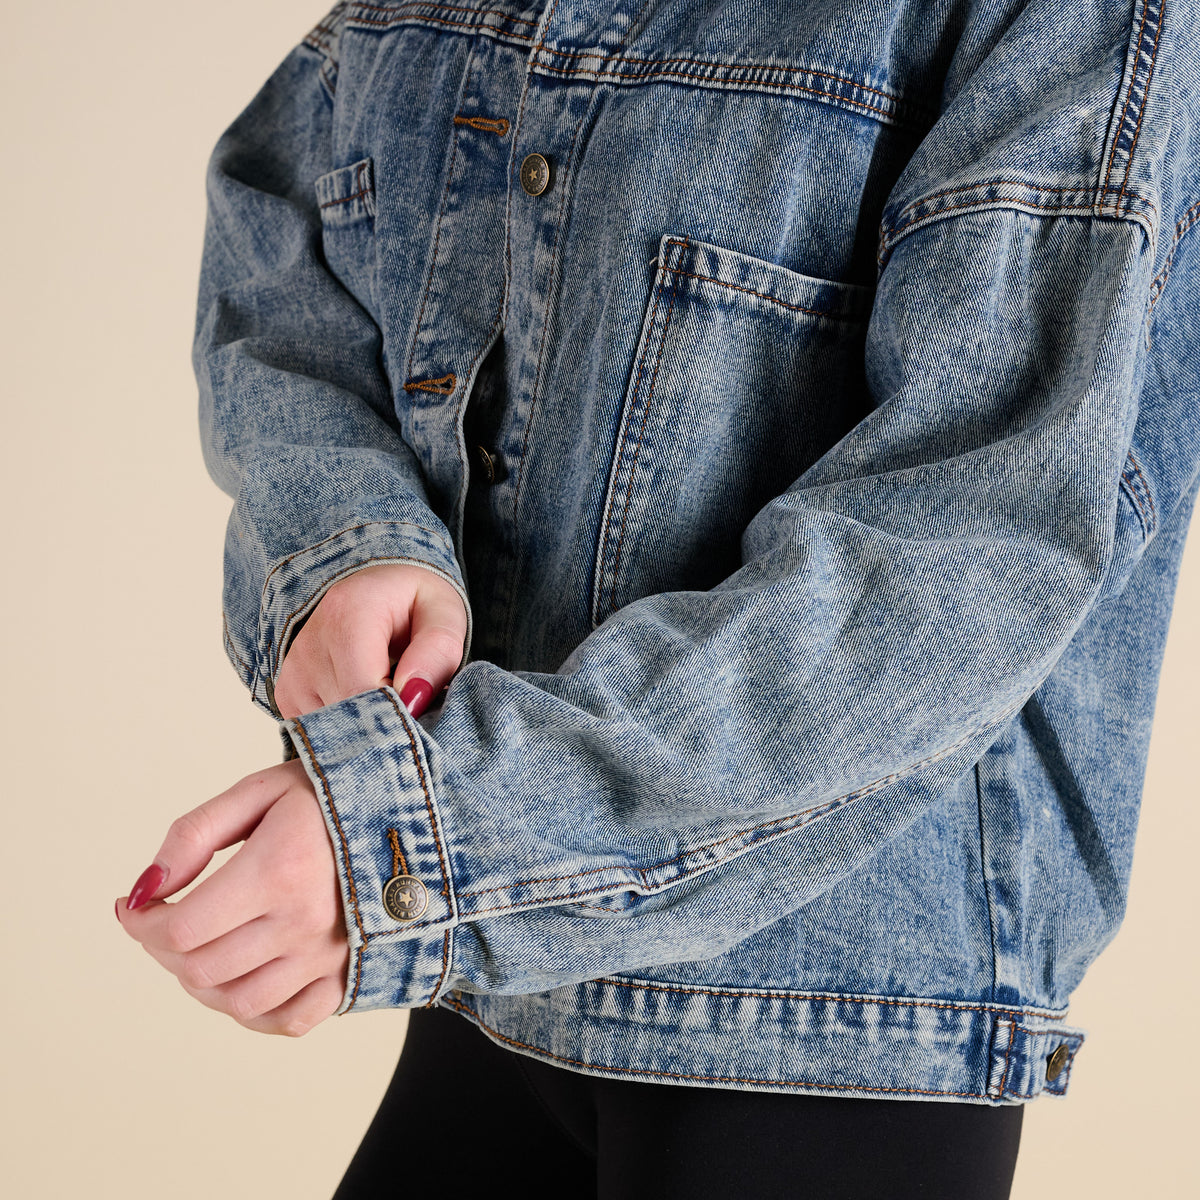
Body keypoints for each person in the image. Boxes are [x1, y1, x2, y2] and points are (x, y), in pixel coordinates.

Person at [116, 0, 1200, 1195]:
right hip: (505, 983)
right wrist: (348, 545)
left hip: (828, 1020)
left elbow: (973, 524)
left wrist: (420, 838)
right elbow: (281, 223)